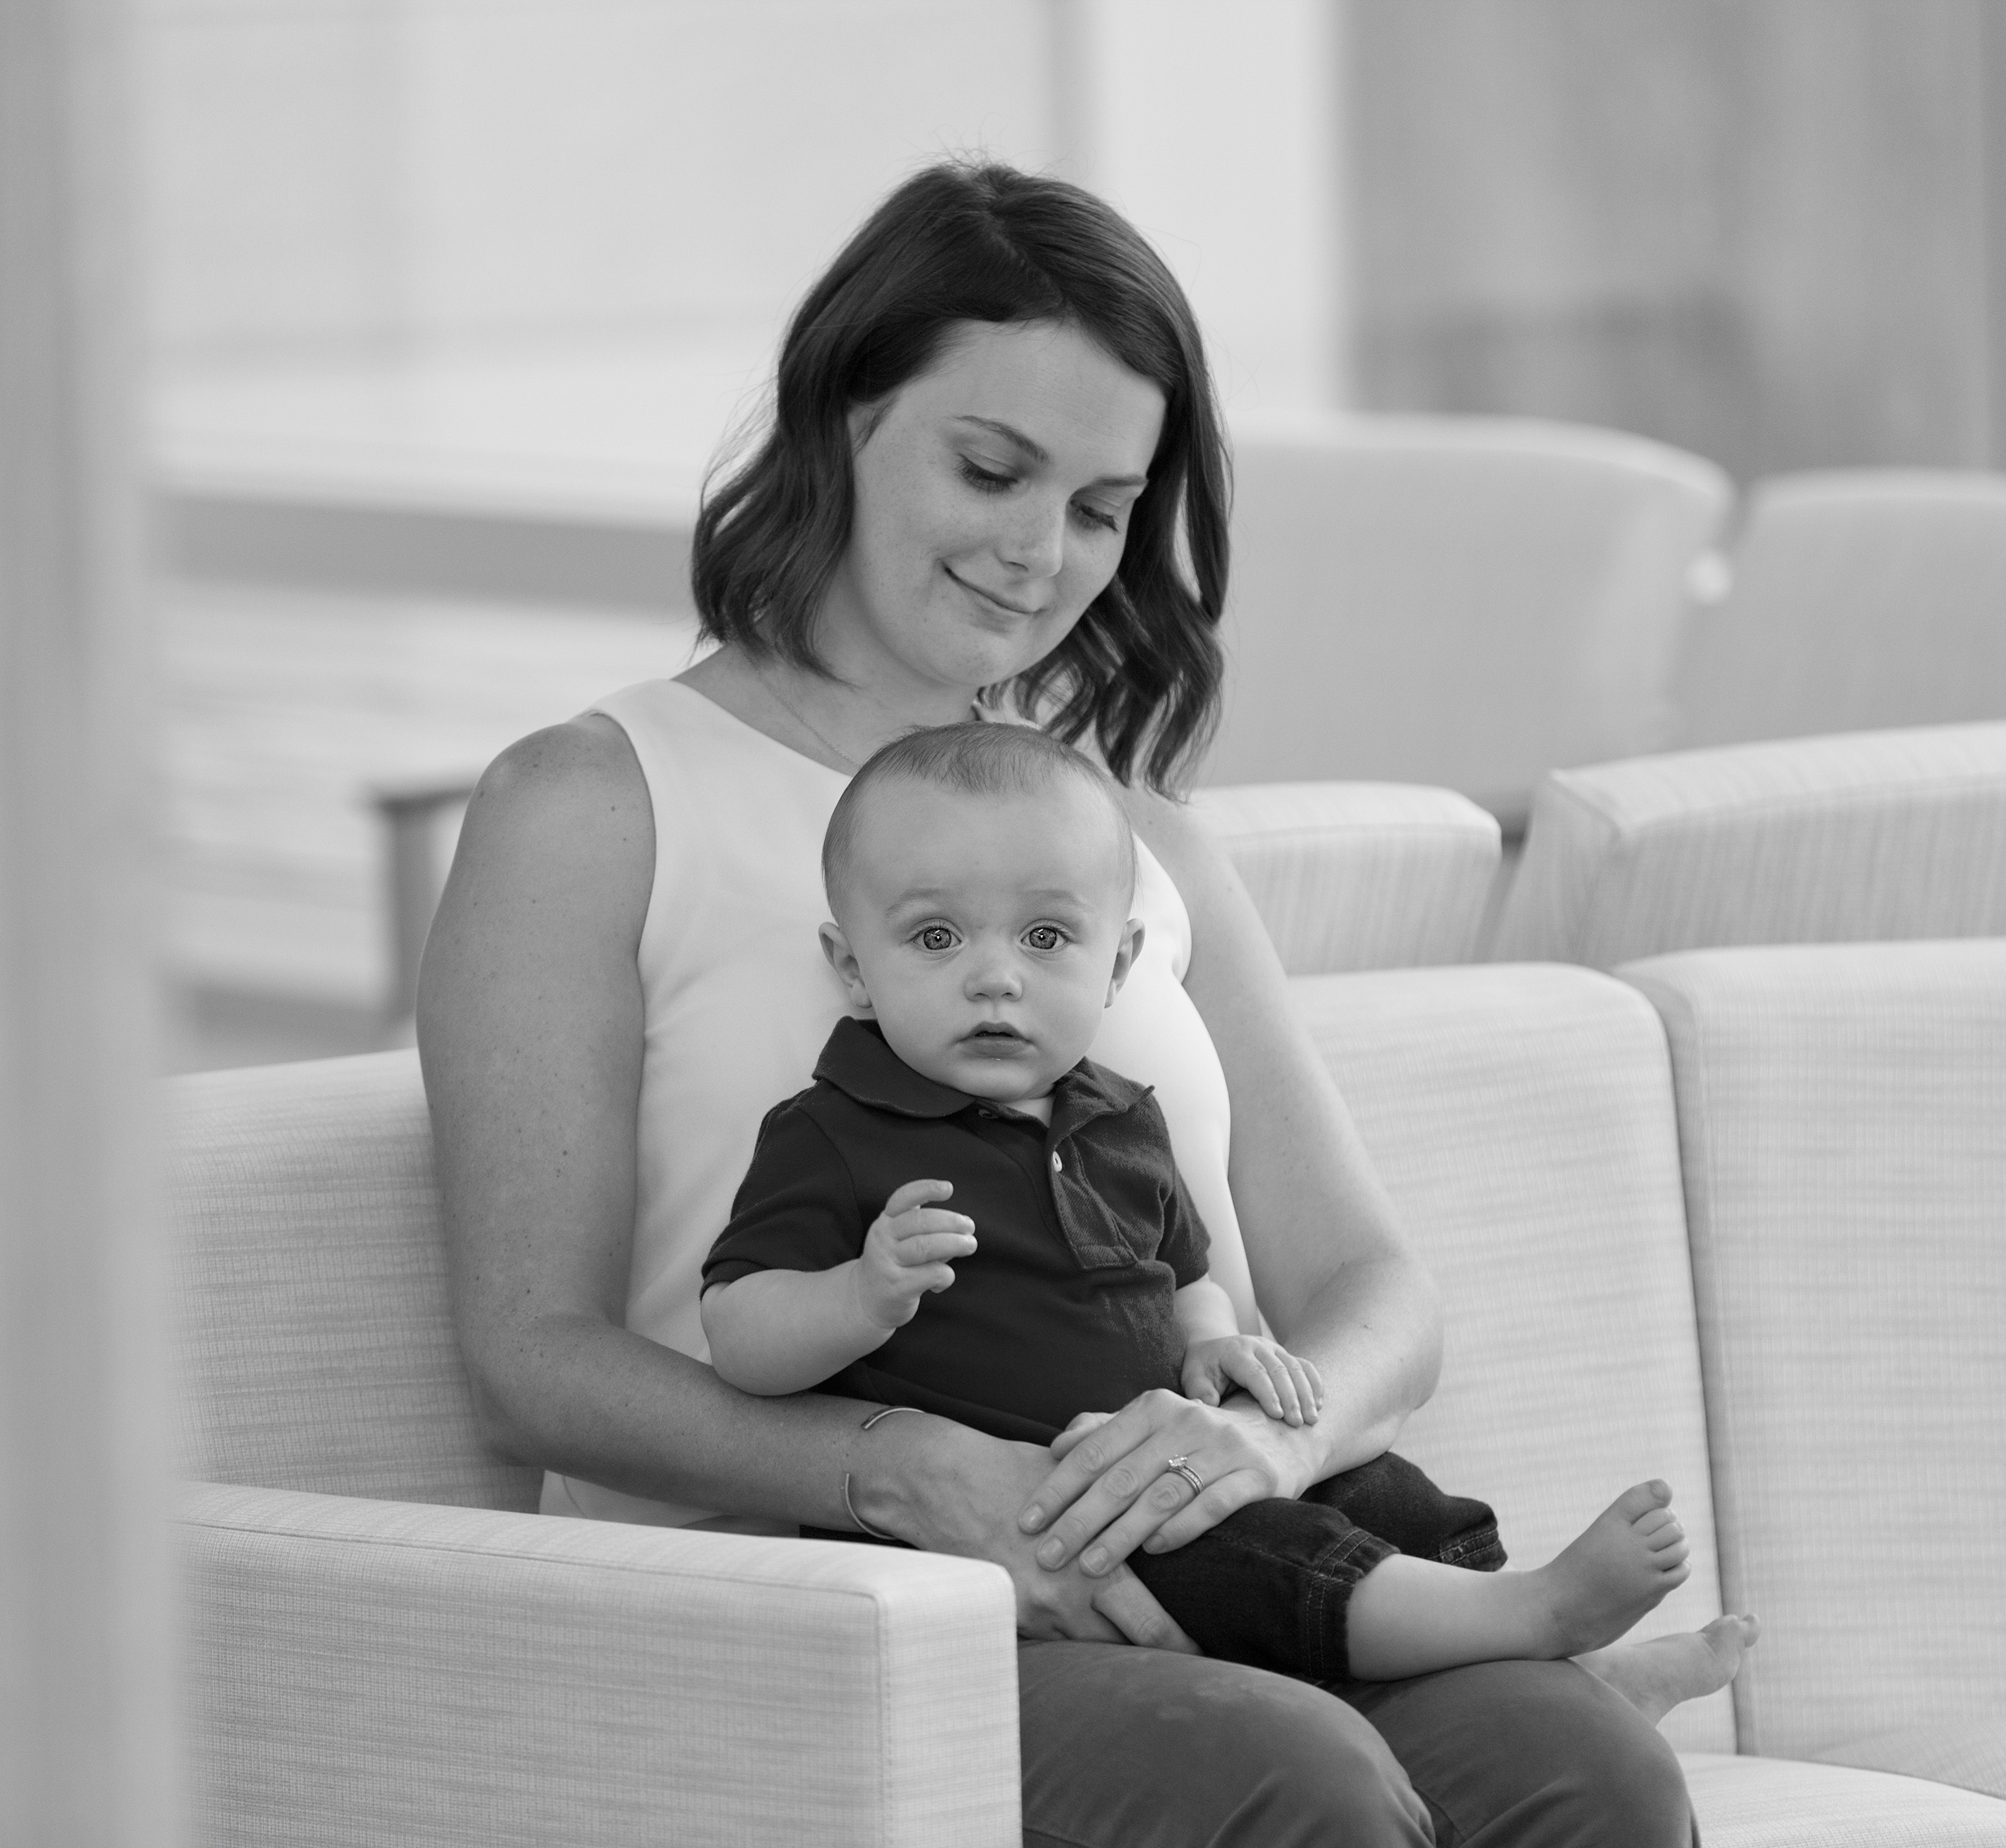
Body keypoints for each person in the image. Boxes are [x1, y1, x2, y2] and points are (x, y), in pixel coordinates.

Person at [419, 157, 1726, 1844]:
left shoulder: (1139, 845)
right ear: (840, 416)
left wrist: (1261, 1449)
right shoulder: (590, 807)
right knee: (1293, 1780)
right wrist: (901, 1467)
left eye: (1104, 508)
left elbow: (1371, 1287)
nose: (1044, 555)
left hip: (1192, 1568)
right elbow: (531, 1361)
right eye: (992, 468)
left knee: (1592, 1771)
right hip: (807, 1613)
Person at [701, 721, 1753, 1691]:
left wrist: (1212, 1349)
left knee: (1380, 1491)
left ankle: (1547, 1672)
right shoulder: (832, 1132)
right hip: (1030, 1523)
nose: (993, 979)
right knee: (1246, 1555)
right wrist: (858, 1296)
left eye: (1045, 939)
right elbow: (739, 1336)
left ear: (1115, 966)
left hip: (1163, 1462)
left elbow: (1183, 1278)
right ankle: (1535, 1618)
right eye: (935, 940)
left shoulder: (1124, 1120)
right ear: (852, 969)